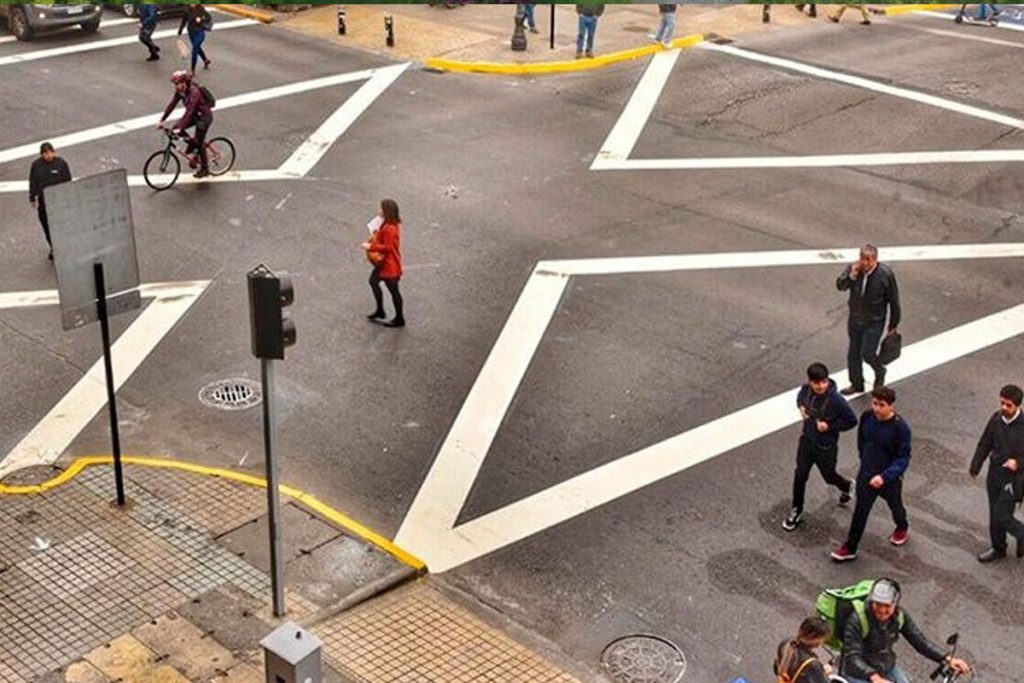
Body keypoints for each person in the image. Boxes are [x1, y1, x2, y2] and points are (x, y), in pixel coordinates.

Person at [831, 387, 910, 562]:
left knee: (895, 505)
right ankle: (850, 547)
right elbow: (862, 440)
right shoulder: (867, 416)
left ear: (891, 406)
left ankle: (902, 526)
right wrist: (865, 461)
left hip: (889, 479)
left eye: (881, 405)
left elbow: (903, 458)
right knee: (860, 511)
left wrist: (885, 476)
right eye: (874, 403)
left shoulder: (901, 428)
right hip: (866, 474)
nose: (876, 408)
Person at [840, 579, 971, 683]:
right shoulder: (857, 620)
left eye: (887, 605)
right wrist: (875, 678)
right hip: (859, 674)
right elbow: (852, 657)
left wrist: (947, 659)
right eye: (878, 604)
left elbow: (919, 641)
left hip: (886, 666)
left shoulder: (899, 616)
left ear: (895, 604)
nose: (881, 609)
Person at [783, 362, 857, 532]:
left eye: (823, 382)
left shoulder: (837, 400)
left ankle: (846, 486)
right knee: (800, 475)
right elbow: (800, 398)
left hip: (826, 447)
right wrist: (801, 407)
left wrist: (829, 427)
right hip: (807, 442)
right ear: (810, 382)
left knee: (829, 476)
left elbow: (851, 420)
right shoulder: (806, 390)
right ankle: (796, 510)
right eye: (817, 383)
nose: (821, 386)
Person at [836, 244, 900, 395]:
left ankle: (880, 371)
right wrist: (851, 274)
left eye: (868, 259)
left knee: (867, 353)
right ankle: (856, 384)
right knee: (853, 353)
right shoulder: (853, 269)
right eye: (862, 258)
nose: (864, 263)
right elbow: (841, 285)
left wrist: (893, 324)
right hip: (855, 318)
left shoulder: (885, 275)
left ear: (875, 259)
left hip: (874, 321)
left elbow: (894, 301)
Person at [970, 384, 1024, 562]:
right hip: (995, 475)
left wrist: (1018, 463)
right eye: (1002, 403)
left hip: (1014, 479)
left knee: (1002, 515)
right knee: (994, 514)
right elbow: (985, 442)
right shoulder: (996, 419)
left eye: (1008, 405)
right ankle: (998, 548)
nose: (1004, 408)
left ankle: (1021, 534)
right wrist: (975, 466)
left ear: (1018, 406)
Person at [158, 70, 214, 178]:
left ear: (184, 82)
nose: (177, 86)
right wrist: (162, 120)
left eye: (178, 84)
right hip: (195, 116)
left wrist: (180, 128)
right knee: (176, 128)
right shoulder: (180, 91)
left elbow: (189, 112)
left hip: (204, 117)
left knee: (199, 142)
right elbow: (172, 104)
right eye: (175, 84)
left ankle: (205, 169)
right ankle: (194, 146)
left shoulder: (194, 92)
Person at [364, 199, 405, 328]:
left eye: (381, 208)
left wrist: (370, 246)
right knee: (373, 281)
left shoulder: (389, 229)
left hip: (389, 265)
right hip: (385, 264)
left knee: (394, 291)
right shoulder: (388, 224)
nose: (379, 210)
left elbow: (387, 248)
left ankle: (399, 318)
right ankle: (380, 310)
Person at [28, 142, 72, 261]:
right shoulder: (36, 165)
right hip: (44, 201)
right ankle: (53, 246)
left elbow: (68, 181)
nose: (48, 155)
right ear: (41, 154)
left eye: (50, 152)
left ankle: (62, 247)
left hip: (59, 201)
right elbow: (33, 181)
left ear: (54, 151)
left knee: (61, 225)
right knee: (46, 226)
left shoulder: (61, 164)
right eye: (45, 153)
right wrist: (32, 197)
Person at [774, 616, 833, 683]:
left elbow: (776, 669)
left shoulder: (786, 644)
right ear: (816, 639)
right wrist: (824, 673)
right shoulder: (812, 665)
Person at [179, 4, 212, 74]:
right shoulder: (187, 10)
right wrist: (180, 30)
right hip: (191, 32)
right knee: (197, 47)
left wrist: (201, 19)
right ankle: (205, 60)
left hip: (200, 32)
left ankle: (192, 69)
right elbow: (184, 21)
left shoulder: (201, 9)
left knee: (195, 48)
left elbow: (208, 18)